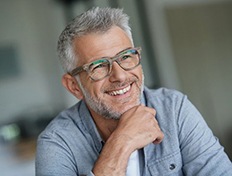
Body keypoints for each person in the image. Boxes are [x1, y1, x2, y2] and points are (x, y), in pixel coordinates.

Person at [36, 7, 232, 176]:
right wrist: (121, 142)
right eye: (98, 66)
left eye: (126, 56)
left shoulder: (174, 109)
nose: (120, 76)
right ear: (74, 86)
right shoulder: (57, 141)